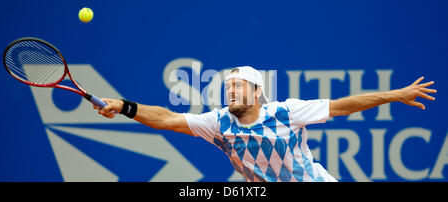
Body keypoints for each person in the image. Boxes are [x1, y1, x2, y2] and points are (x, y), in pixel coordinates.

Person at [93, 66, 437, 182]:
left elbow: (344, 105)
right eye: (228, 85)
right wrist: (125, 106)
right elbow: (167, 119)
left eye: (238, 85)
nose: (230, 90)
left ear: (257, 93)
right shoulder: (218, 122)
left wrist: (395, 94)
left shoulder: (286, 113)